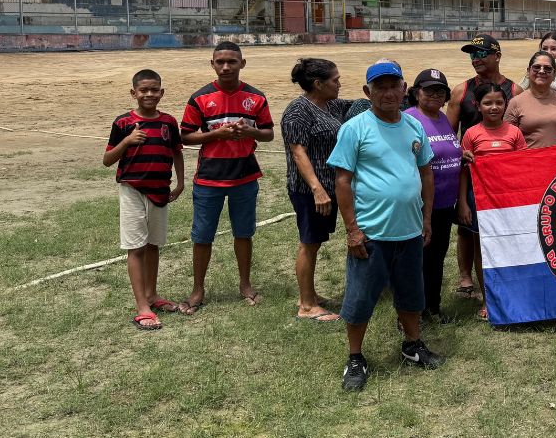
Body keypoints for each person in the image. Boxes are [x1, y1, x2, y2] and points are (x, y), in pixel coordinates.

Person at [329, 61, 442, 392]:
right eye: (381, 87)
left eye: (395, 85)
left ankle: (412, 345)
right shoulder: (355, 128)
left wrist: (426, 218)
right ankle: (355, 358)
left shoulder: (413, 127)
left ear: (405, 88)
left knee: (411, 295)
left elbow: (425, 173)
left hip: (409, 231)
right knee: (361, 299)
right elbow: (342, 180)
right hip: (371, 234)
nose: (389, 93)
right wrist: (352, 230)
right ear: (368, 92)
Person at [179, 42, 274, 314]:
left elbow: (268, 133)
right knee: (202, 236)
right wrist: (215, 135)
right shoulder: (199, 98)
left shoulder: (255, 98)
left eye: (232, 61)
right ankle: (198, 289)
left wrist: (250, 132)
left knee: (243, 233)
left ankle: (245, 284)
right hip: (209, 179)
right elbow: (185, 136)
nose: (225, 66)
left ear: (242, 64)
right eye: (220, 61)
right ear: (212, 64)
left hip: (244, 177)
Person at [103, 69, 185, 330]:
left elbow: (176, 152)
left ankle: (152, 295)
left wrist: (181, 181)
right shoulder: (124, 123)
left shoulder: (169, 123)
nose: (149, 94)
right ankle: (142, 307)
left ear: (162, 92)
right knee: (136, 247)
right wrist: (127, 141)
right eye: (143, 90)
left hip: (160, 190)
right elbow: (107, 160)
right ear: (133, 93)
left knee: (153, 245)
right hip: (133, 189)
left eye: (154, 90)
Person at [447, 34, 522, 299]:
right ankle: (465, 277)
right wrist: (462, 153)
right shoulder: (461, 91)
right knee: (467, 229)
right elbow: (448, 135)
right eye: (471, 54)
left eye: (481, 54)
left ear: (497, 56)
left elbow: (516, 133)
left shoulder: (514, 91)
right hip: (471, 172)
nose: (475, 59)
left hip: (502, 179)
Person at [282, 58, 353, 322]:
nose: (339, 83)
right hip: (309, 190)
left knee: (316, 241)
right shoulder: (298, 111)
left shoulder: (331, 105)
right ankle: (307, 305)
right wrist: (317, 189)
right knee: (309, 243)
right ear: (318, 83)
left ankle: (309, 293)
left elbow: (359, 105)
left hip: (330, 186)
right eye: (335, 80)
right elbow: (298, 152)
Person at [459, 83, 527, 320]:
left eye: (499, 102)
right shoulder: (471, 134)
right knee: (483, 249)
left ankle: (514, 294)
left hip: (508, 200)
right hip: (478, 200)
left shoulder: (514, 133)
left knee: (510, 247)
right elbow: (464, 172)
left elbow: (524, 167)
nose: (494, 107)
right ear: (477, 105)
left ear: (505, 104)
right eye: (488, 103)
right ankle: (489, 299)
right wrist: (463, 203)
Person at [404, 68, 462, 322]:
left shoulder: (442, 118)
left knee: (436, 257)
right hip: (419, 204)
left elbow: (446, 150)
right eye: (429, 90)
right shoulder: (408, 119)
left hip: (444, 203)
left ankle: (433, 307)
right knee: (416, 260)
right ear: (417, 92)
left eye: (441, 91)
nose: (436, 95)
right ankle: (411, 311)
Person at [506, 52, 556, 148]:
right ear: (528, 71)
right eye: (536, 67)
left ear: (554, 75)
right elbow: (507, 140)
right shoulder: (516, 102)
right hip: (528, 161)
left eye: (548, 68)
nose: (541, 71)